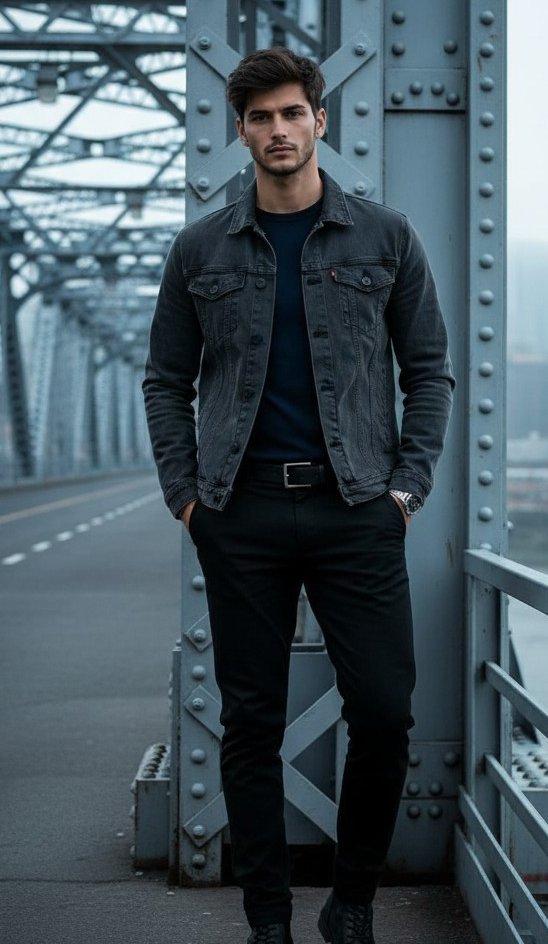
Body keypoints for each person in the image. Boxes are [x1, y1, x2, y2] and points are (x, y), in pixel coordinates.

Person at [143, 48, 454, 944]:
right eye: (260, 117)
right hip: (238, 512)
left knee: (385, 714)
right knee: (251, 723)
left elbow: (429, 372)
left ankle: (350, 904)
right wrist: (187, 498)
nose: (278, 130)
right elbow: (165, 380)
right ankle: (269, 921)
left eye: (291, 113)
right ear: (240, 130)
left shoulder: (386, 237)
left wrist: (405, 489)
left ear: (321, 118)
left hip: (356, 508)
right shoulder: (199, 247)